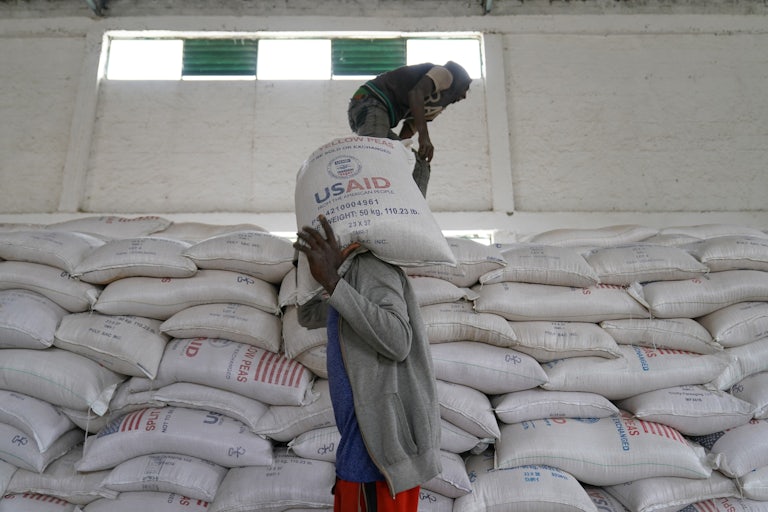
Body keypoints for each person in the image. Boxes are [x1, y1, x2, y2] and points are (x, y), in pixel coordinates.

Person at [294, 214, 441, 512]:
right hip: (363, 455)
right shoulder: (348, 276)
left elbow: (398, 340)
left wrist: (333, 282)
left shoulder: (372, 267)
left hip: (376, 462)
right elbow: (308, 315)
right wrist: (314, 271)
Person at [347, 61, 472, 196]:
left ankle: (414, 212)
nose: (464, 96)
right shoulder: (445, 74)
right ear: (459, 80)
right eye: (466, 87)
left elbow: (410, 126)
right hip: (370, 101)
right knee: (375, 153)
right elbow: (416, 93)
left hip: (375, 115)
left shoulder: (437, 106)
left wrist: (402, 152)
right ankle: (360, 201)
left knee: (419, 166)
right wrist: (424, 137)